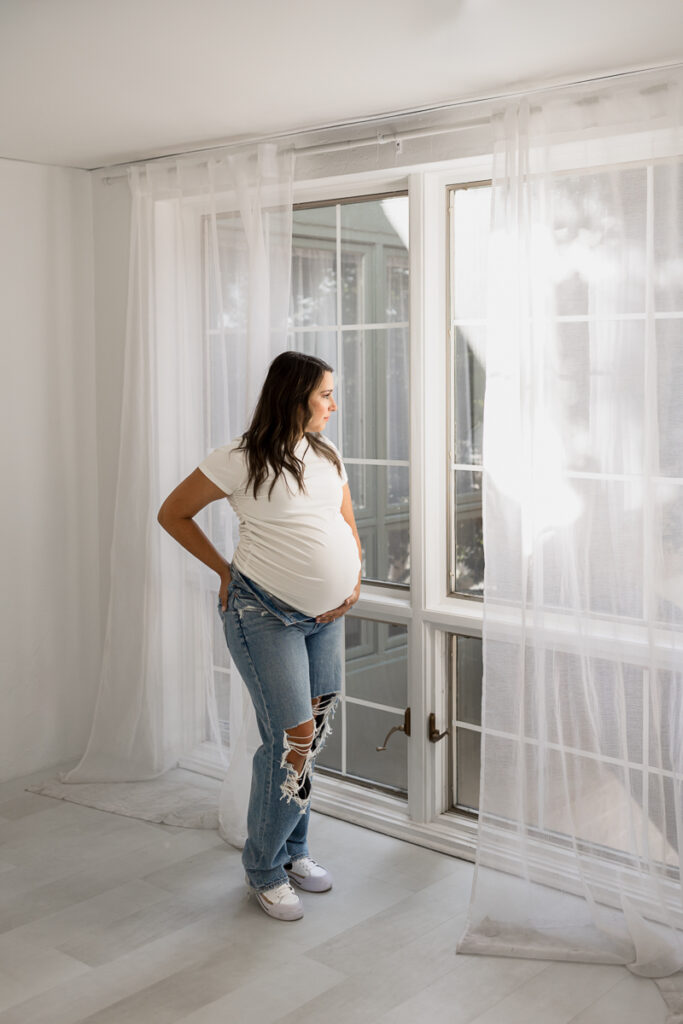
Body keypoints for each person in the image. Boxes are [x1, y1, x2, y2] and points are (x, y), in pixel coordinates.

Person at [157, 351, 362, 921]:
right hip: (263, 614)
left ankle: (294, 851)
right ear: (294, 395)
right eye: (325, 395)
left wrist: (355, 574)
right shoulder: (239, 458)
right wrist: (225, 571)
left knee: (312, 733)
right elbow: (172, 513)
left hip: (325, 618)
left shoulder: (325, 453)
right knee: (290, 741)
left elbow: (344, 521)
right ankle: (264, 870)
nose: (333, 405)